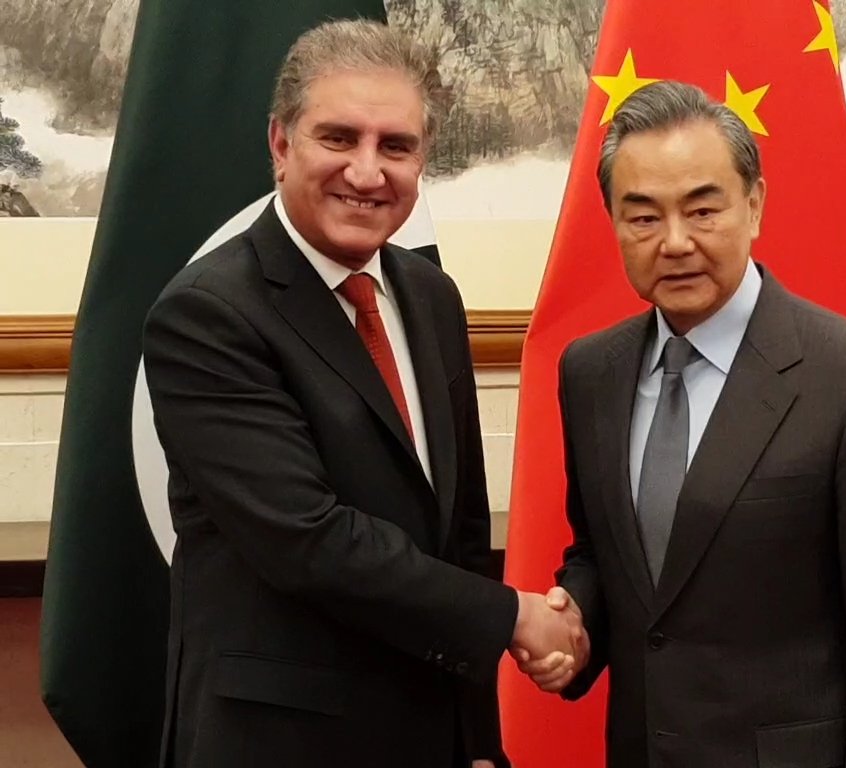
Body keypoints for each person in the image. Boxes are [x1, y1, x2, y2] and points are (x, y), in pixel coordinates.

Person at [143, 19, 581, 768]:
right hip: (278, 744)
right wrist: (512, 617)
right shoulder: (208, 314)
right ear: (281, 144)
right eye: (338, 138)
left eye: (397, 146)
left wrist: (475, 739)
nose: (368, 172)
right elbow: (308, 540)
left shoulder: (429, 295)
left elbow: (460, 535)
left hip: (426, 735)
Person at [517, 80, 846, 768]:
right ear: (613, 223)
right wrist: (577, 626)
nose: (676, 242)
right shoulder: (590, 372)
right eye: (644, 217)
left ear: (754, 205)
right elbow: (608, 553)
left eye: (703, 209)